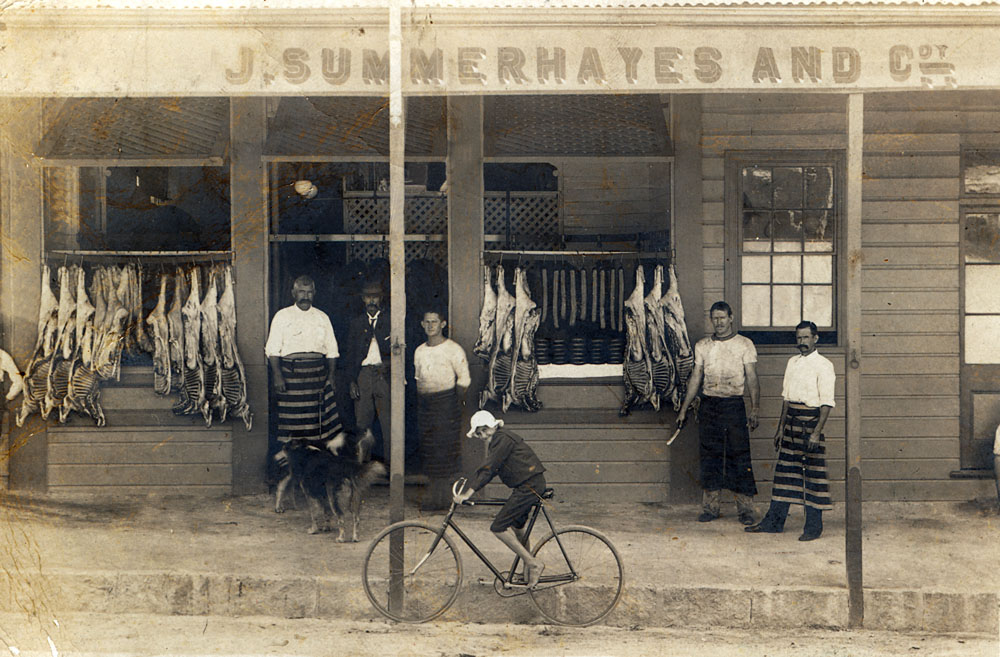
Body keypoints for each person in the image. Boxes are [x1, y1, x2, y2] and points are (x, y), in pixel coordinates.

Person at [747, 321, 834, 541]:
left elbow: (826, 403)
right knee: (783, 475)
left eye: (806, 338)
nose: (802, 342)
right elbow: (786, 399)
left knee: (812, 478)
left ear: (816, 339)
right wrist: (780, 429)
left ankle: (814, 528)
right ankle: (774, 523)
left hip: (810, 424)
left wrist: (816, 432)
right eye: (799, 338)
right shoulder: (792, 363)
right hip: (791, 426)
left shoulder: (824, 365)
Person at [676, 300, 760, 525]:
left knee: (739, 455)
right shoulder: (703, 345)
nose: (719, 322)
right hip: (709, 406)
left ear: (731, 318)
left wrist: (755, 408)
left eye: (723, 318)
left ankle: (745, 510)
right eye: (715, 318)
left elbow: (752, 378)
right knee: (710, 456)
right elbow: (696, 378)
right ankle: (711, 508)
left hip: (734, 405)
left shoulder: (745, 344)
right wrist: (684, 409)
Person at [453, 410, 546, 589]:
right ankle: (528, 568)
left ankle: (533, 563)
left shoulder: (502, 439)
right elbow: (489, 468)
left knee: (498, 527)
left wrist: (467, 494)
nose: (479, 437)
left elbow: (489, 469)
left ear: (488, 428)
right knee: (518, 527)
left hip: (529, 487)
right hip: (527, 485)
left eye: (479, 432)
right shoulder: (499, 440)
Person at [264, 275, 342, 447]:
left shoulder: (323, 317)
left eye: (309, 292)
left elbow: (332, 351)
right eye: (301, 292)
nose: (305, 296)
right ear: (293, 293)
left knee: (317, 424)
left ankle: (314, 463)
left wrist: (331, 377)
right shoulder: (282, 316)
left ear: (314, 293)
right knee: (291, 427)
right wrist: (278, 376)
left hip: (316, 378)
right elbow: (272, 350)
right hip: (291, 379)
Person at [413, 309, 471, 511]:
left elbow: (464, 381)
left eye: (434, 322)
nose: (430, 326)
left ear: (443, 324)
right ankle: (432, 497)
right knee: (428, 449)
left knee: (444, 449)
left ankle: (446, 499)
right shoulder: (419, 351)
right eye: (427, 322)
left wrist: (454, 404)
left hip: (446, 404)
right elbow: (419, 379)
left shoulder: (453, 349)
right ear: (422, 324)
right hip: (425, 405)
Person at [345, 279, 393, 462]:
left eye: (375, 297)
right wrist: (352, 381)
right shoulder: (356, 323)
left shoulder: (390, 320)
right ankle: (363, 467)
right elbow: (350, 355)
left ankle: (391, 467)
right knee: (362, 424)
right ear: (363, 299)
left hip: (384, 375)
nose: (372, 301)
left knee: (389, 423)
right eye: (368, 297)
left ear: (381, 298)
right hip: (363, 376)